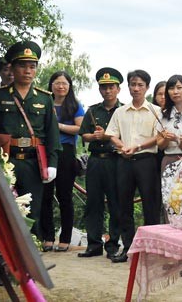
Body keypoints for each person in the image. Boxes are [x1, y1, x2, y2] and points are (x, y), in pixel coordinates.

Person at [0, 41, 62, 240]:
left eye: (32, 66)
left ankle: (31, 259)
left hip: (32, 162)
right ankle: (3, 257)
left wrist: (52, 164)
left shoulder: (45, 98)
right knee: (1, 209)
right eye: (22, 65)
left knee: (31, 210)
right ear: (13, 67)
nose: (28, 71)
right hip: (3, 161)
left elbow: (52, 134)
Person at [105, 69, 161, 263]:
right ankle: (128, 248)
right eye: (133, 84)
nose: (136, 88)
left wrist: (137, 146)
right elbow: (111, 134)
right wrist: (122, 146)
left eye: (140, 85)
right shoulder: (120, 112)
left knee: (150, 206)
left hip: (147, 161)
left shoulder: (156, 111)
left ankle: (151, 250)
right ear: (127, 86)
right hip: (125, 162)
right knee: (123, 206)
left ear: (147, 87)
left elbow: (159, 137)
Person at [77, 67, 123, 259]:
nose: (107, 91)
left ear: (118, 89)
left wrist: (108, 136)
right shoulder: (92, 110)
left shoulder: (124, 110)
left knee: (115, 203)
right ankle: (93, 244)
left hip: (116, 161)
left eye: (111, 87)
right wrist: (96, 136)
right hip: (95, 161)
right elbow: (84, 135)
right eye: (103, 87)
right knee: (93, 203)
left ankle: (112, 245)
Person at [40, 71, 84, 252]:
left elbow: (80, 129)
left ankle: (65, 239)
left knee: (65, 195)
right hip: (44, 151)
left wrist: (57, 126)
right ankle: (47, 237)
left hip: (66, 151)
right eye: (57, 83)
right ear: (51, 85)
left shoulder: (74, 105)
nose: (61, 86)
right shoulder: (43, 103)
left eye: (64, 83)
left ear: (69, 86)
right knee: (45, 195)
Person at [156, 74, 182, 174]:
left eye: (179, 88)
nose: (175, 92)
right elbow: (160, 146)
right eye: (171, 88)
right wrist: (166, 139)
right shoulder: (163, 114)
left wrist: (180, 141)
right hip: (169, 160)